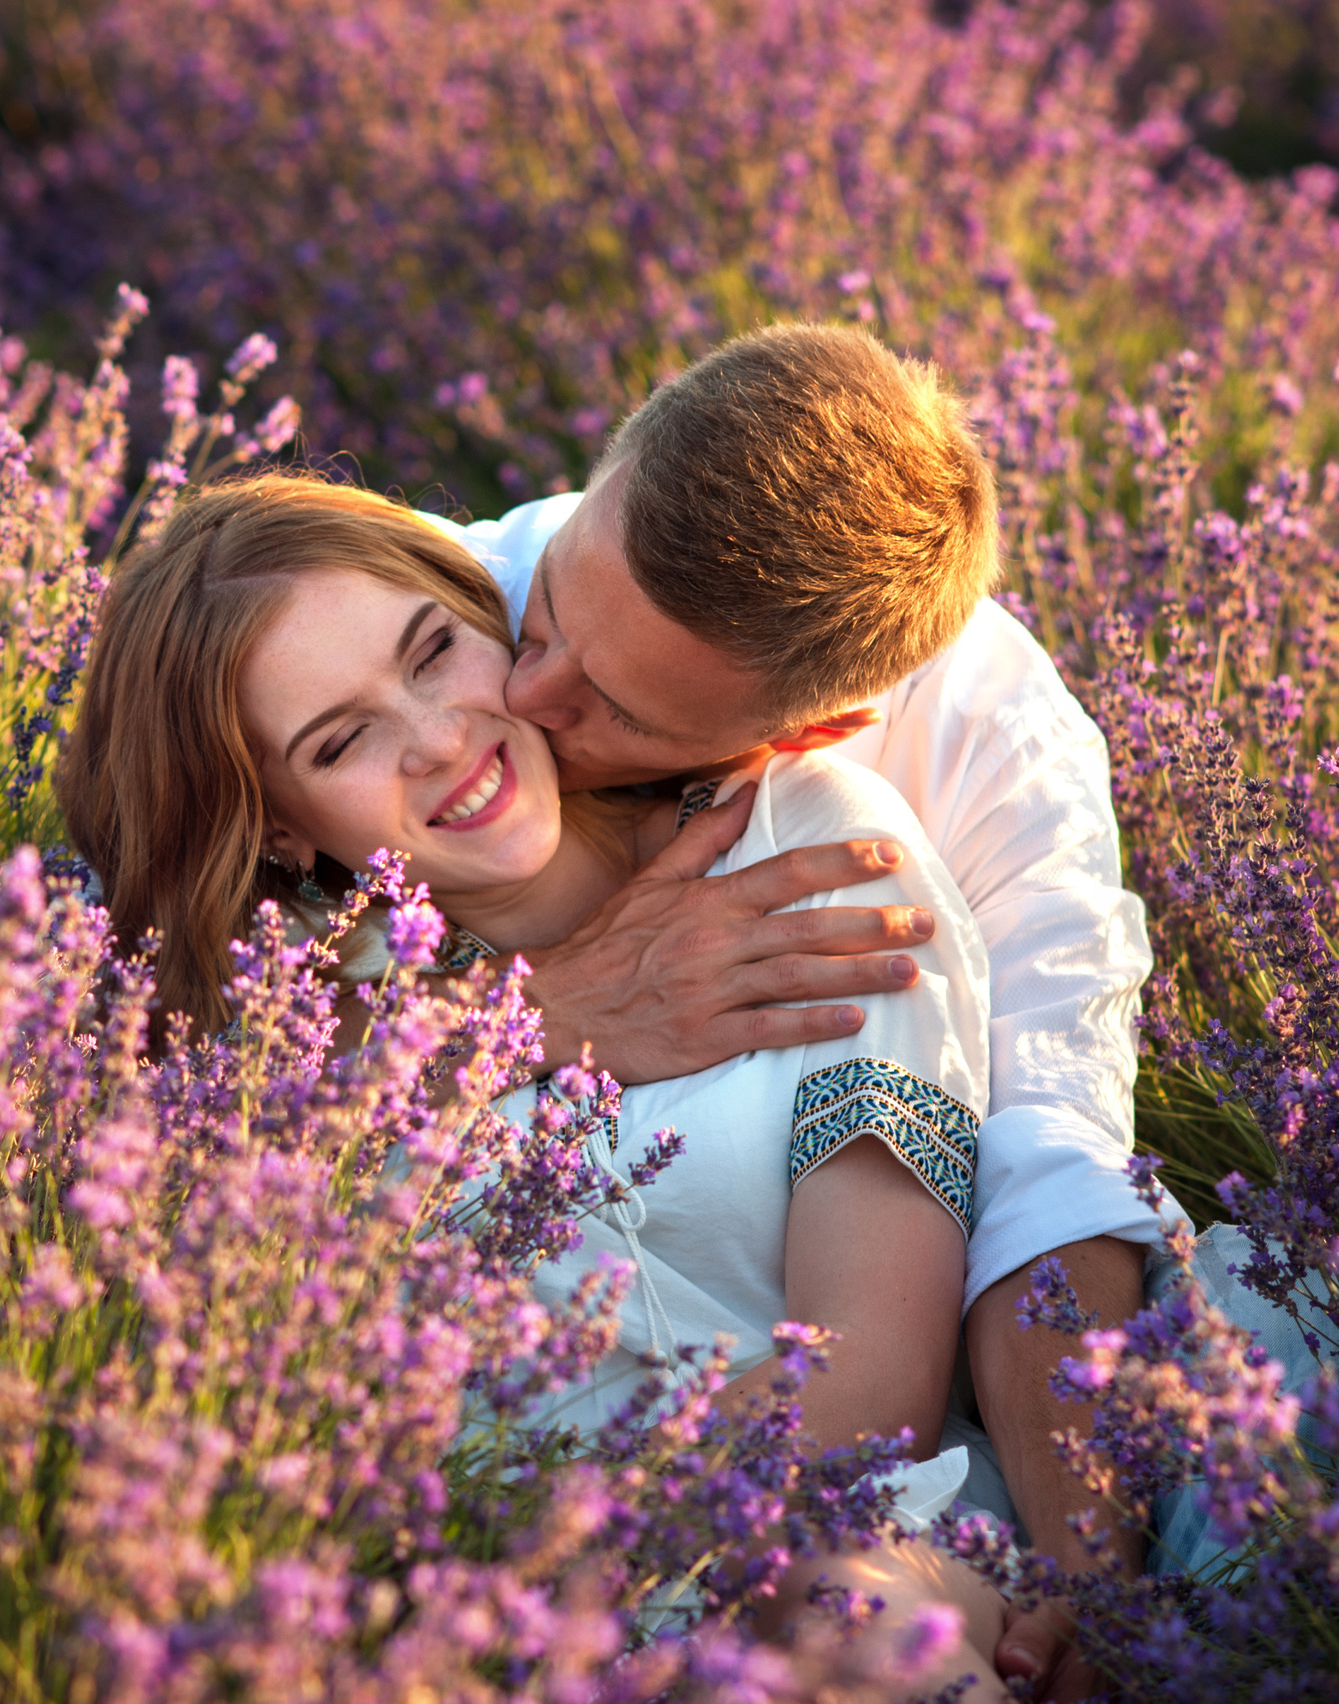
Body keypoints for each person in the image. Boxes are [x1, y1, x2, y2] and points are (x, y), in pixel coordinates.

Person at [58, 471, 1017, 1698]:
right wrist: (533, 1023)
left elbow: (871, 1371)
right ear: (281, 827)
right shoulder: (285, 1067)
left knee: (844, 1639)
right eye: (341, 741)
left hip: (846, 1521)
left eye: (432, 655)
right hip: (489, 1606)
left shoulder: (803, 851)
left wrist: (595, 1591)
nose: (441, 740)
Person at [413, 324, 1181, 1697]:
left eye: (617, 712)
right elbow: (161, 974)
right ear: (612, 461)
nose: (528, 697)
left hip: (814, 1445)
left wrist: (1080, 1564)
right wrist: (542, 1015)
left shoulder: (986, 748)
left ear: (806, 735)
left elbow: (1051, 1158)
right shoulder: (423, 598)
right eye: (553, 622)